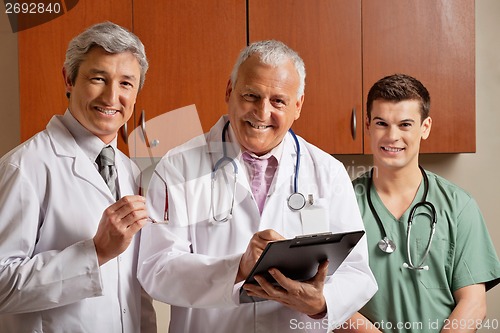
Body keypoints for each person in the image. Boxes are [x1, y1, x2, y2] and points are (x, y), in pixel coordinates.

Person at [138, 40, 377, 332]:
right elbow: (156, 269)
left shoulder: (328, 172)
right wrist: (237, 268)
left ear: (298, 105)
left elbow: (357, 271)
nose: (262, 113)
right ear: (229, 91)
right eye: (251, 95)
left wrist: (321, 302)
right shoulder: (178, 167)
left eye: (278, 101)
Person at [0, 22, 156, 332]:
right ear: (69, 79)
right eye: (98, 78)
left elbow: (134, 291)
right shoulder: (25, 167)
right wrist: (96, 252)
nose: (112, 96)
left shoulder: (131, 171)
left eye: (126, 83)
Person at [336, 74, 500, 333]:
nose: (392, 136)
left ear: (425, 127)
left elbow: (473, 301)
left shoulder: (458, 205)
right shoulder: (342, 203)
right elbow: (331, 299)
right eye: (381, 123)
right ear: (367, 124)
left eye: (405, 124)